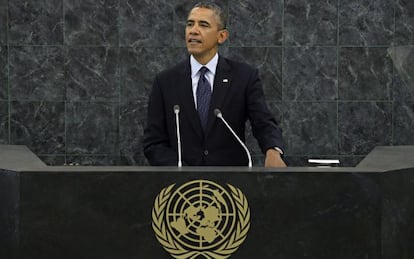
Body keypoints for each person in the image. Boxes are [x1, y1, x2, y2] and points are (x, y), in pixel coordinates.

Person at [143, 2, 286, 167]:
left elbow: (264, 123)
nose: (193, 30)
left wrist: (272, 150)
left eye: (203, 25)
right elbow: (153, 143)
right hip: (183, 187)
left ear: (222, 36)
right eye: (190, 24)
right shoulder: (166, 81)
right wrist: (182, 171)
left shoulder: (243, 77)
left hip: (231, 184)